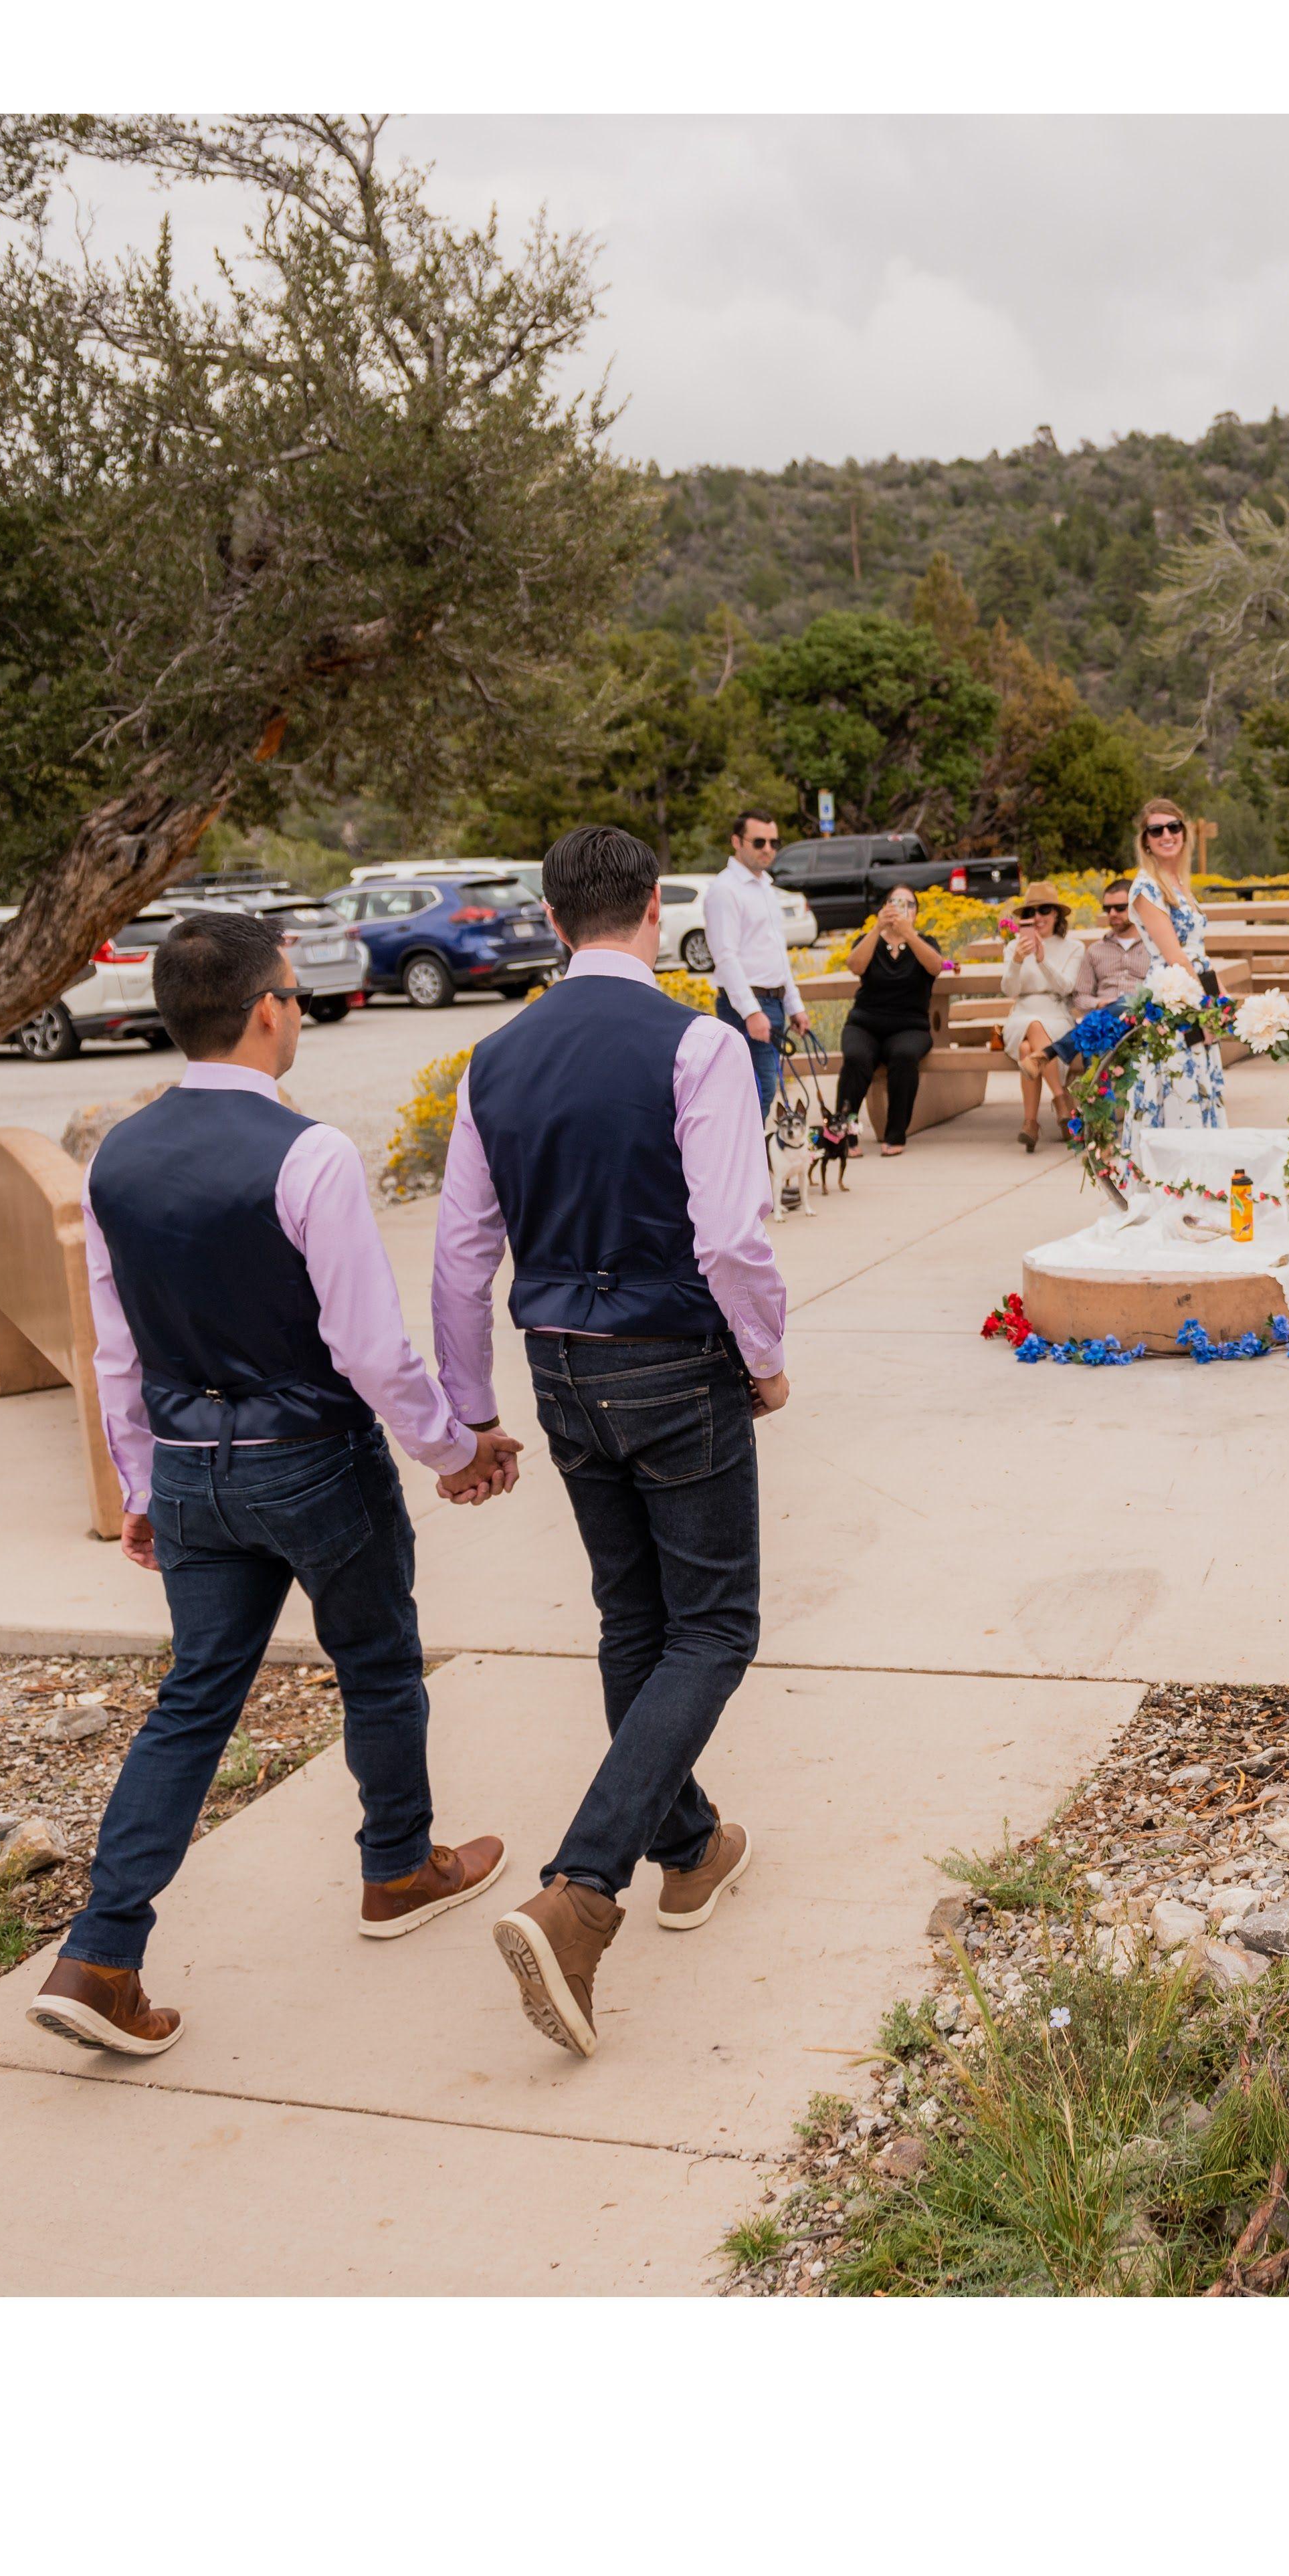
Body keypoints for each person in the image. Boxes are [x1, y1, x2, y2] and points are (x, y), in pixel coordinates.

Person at [26, 909, 521, 2062]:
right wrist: (456, 1450)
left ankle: (100, 1950)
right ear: (265, 1010)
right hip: (313, 1463)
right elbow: (366, 1345)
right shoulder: (310, 1153)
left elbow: (115, 1346)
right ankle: (397, 1866)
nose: (296, 1009)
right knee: (378, 1663)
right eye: (295, 994)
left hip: (192, 1470)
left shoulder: (119, 1158)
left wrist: (142, 1482)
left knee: (195, 1699)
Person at [433, 824, 791, 2061]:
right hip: (672, 1358)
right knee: (714, 1626)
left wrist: (473, 1409)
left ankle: (686, 1846)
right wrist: (762, 1354)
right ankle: (584, 1887)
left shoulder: (493, 1058)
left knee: (633, 1619)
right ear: (654, 910)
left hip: (559, 1365)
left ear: (548, 920)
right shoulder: (698, 1043)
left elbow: (461, 1252)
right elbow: (734, 1234)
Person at [1124, 793, 1224, 1136]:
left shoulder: (1181, 885)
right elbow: (1176, 957)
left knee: (1201, 1079)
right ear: (1146, 842)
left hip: (1197, 987)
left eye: (1174, 827)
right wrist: (1210, 1006)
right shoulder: (1146, 888)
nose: (1167, 835)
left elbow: (1197, 953)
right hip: (1174, 996)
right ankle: (1174, 1180)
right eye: (1156, 831)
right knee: (1178, 1085)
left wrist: (1220, 996)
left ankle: (1205, 1175)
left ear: (1184, 833)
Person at [703, 808, 797, 1141]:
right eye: (759, 841)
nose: (768, 849)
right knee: (756, 1094)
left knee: (765, 1092)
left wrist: (795, 1005)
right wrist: (752, 1012)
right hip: (745, 1006)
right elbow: (724, 956)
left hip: (773, 1002)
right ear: (736, 842)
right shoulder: (725, 890)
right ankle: (741, 1179)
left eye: (774, 842)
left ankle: (753, 1176)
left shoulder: (765, 887)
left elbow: (777, 952)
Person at [835, 884, 948, 1151]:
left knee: (904, 1058)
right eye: (896, 903)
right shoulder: (869, 940)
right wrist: (877, 930)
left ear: (917, 914)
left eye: (909, 905)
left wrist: (910, 935)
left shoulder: (926, 942)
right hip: (865, 1023)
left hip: (910, 1026)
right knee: (856, 1059)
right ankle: (844, 1135)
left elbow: (935, 966)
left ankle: (895, 1135)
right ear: (885, 908)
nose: (902, 909)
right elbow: (855, 966)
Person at [997, 892, 1089, 1148]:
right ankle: (1061, 1098)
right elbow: (1010, 990)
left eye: (1044, 910)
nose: (1037, 918)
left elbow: (1067, 987)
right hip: (1021, 1013)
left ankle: (1030, 1124)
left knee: (1029, 1049)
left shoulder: (1073, 947)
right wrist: (1016, 961)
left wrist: (1042, 959)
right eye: (1030, 913)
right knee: (1032, 1026)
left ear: (1056, 914)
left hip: (1057, 1013)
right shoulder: (1013, 947)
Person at [1074, 879, 1155, 1012]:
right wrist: (1098, 1003)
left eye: (1120, 908)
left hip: (1142, 1018)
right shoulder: (1095, 950)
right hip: (1105, 1019)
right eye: (1107, 909)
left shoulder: (1154, 947)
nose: (1112, 914)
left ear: (1136, 907)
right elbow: (1080, 997)